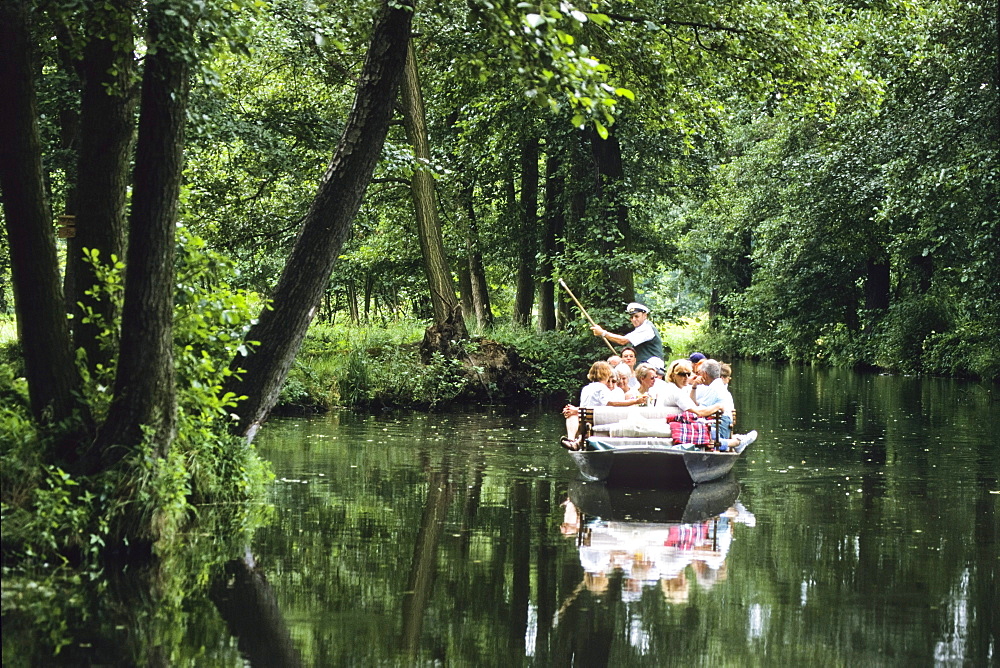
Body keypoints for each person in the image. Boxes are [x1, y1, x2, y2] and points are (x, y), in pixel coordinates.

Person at [590, 302, 664, 369]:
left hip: (652, 370)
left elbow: (623, 340)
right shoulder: (641, 328)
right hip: (644, 370)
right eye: (631, 317)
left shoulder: (647, 329)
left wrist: (603, 333)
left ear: (645, 316)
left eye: (636, 316)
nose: (634, 319)